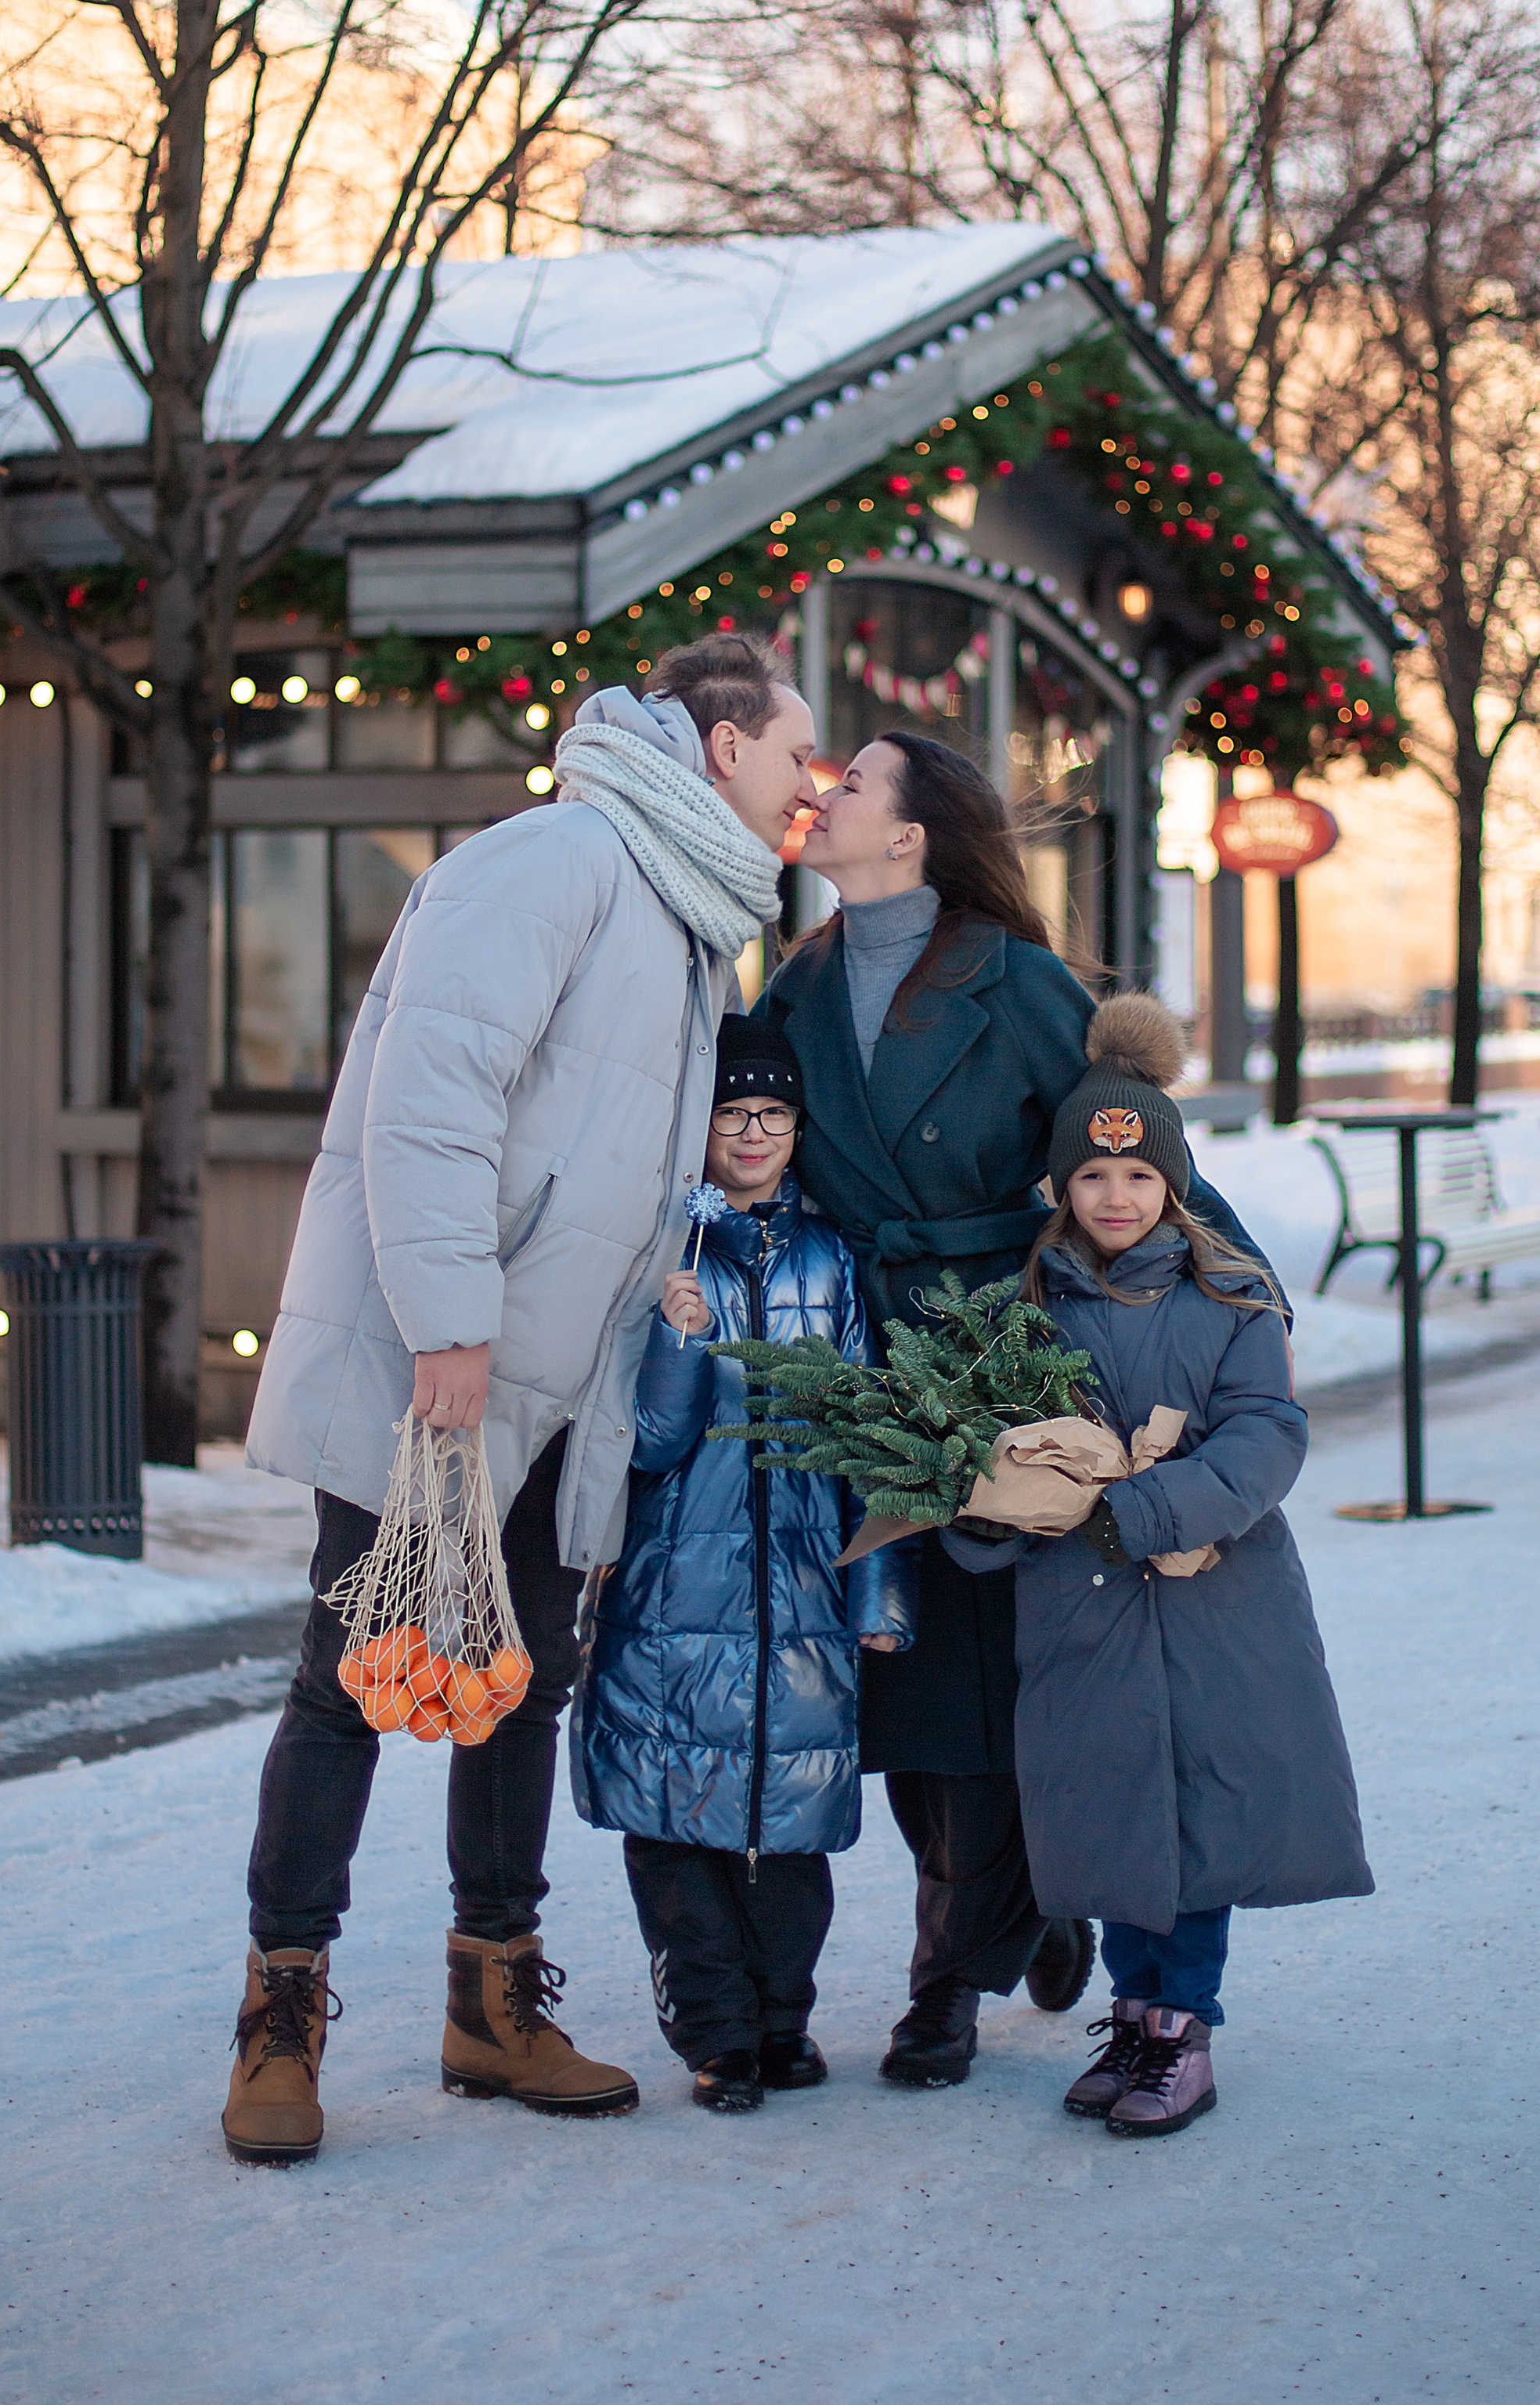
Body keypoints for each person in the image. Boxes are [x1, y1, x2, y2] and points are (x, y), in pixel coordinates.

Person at [221, 635, 820, 2164]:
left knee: (520, 1674)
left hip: (573, 1380)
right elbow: (434, 1095)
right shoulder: (552, 858)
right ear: (717, 741)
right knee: (354, 1672)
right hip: (452, 1362)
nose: (808, 784)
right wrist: (448, 1327)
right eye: (793, 752)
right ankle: (279, 2010)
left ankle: (491, 1997)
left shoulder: (691, 913)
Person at [760, 729, 1277, 2089]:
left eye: (855, 782)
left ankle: (948, 1979)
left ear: (914, 833)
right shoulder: (800, 977)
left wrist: (1233, 1285)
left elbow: (1129, 1144)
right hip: (865, 1363)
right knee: (907, 1678)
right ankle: (1024, 1904)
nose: (825, 795)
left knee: (995, 1675)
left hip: (1009, 1363)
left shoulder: (1019, 979)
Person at [947, 992, 1371, 2137]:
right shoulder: (1022, 1310)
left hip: (1214, 1601)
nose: (1118, 1198)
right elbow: (986, 1441)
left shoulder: (1231, 1297)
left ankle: (1184, 2023)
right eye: (1093, 1179)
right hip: (1080, 1612)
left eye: (1140, 1179)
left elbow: (1266, 1435)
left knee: (1197, 1814)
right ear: (1061, 1191)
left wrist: (1139, 1509)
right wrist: (988, 1514)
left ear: (1174, 1185)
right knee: (1111, 1812)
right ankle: (1134, 2012)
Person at [573, 1014, 915, 2112]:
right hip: (680, 1590)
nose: (756, 1131)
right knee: (679, 1821)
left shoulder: (830, 1262)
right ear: (701, 1128)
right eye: (734, 1113)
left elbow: (872, 1440)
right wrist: (675, 1340)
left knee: (792, 1821)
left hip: (806, 1590)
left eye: (774, 1113)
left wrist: (880, 1589)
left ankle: (783, 2020)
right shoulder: (664, 1257)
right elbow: (653, 1450)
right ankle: (717, 2030)